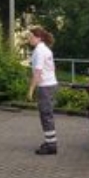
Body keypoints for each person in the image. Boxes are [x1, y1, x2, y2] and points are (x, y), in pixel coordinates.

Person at [27, 26, 59, 155]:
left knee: (46, 115)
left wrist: (30, 90)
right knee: (47, 115)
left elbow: (37, 73)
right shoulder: (45, 49)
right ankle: (50, 141)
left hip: (45, 86)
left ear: (38, 38)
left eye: (30, 36)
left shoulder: (39, 51)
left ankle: (51, 145)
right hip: (51, 84)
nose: (29, 39)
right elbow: (52, 68)